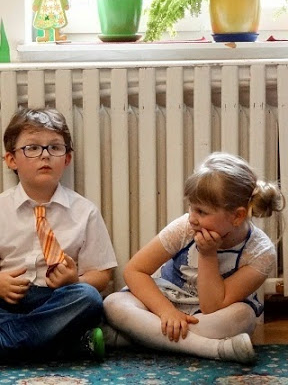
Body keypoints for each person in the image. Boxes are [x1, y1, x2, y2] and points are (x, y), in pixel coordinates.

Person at [0, 108, 117, 372]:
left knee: (89, 299)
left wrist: (75, 281)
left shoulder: (85, 211)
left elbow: (102, 274)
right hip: (9, 301)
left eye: (54, 147)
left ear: (67, 158)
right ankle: (64, 344)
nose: (45, 155)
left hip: (58, 298)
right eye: (32, 148)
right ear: (11, 159)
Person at [103, 152, 281, 364]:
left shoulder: (261, 252)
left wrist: (207, 254)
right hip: (165, 301)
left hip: (208, 314)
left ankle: (137, 336)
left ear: (237, 216)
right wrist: (166, 312)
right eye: (191, 207)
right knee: (114, 303)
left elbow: (212, 306)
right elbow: (135, 270)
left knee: (244, 317)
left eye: (201, 212)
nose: (192, 218)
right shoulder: (184, 227)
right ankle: (214, 348)